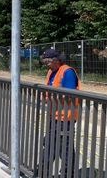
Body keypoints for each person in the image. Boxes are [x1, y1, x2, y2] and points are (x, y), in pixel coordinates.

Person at [40, 48, 81, 177]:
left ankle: (69, 173)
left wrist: (51, 97)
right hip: (55, 115)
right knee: (50, 143)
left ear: (57, 60)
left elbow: (69, 95)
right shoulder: (51, 71)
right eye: (44, 61)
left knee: (65, 147)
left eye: (48, 61)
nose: (46, 64)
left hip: (66, 117)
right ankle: (43, 171)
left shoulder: (67, 72)